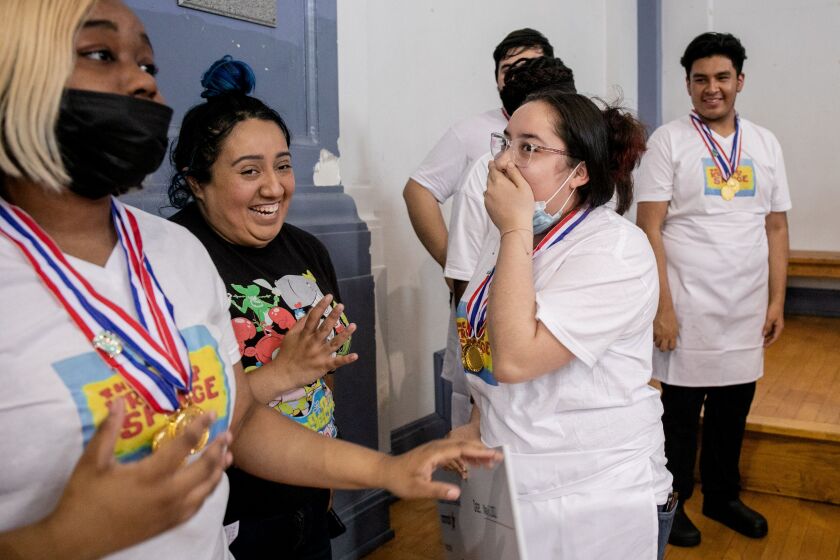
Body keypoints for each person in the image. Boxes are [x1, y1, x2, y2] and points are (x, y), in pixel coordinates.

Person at [0, 1, 501, 558]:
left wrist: (385, 468)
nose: (142, 84)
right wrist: (53, 540)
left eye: (148, 66)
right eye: (99, 53)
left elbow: (233, 417)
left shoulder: (176, 255)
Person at [448, 90, 675, 559]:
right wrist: (476, 418)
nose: (503, 162)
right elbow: (484, 334)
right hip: (515, 480)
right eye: (505, 142)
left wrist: (512, 230)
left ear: (580, 171)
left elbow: (515, 358)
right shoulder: (513, 233)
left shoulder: (616, 251)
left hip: (593, 495)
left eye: (528, 147)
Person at [167, 55, 351, 559]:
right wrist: (280, 373)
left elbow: (324, 367)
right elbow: (176, 418)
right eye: (250, 170)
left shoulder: (308, 250)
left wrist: (324, 460)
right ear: (197, 181)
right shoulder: (172, 259)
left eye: (283, 165)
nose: (274, 186)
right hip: (228, 516)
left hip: (307, 492)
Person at [636, 32, 790, 547]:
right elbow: (649, 227)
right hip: (685, 306)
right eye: (700, 78)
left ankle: (723, 497)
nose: (712, 88)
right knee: (679, 419)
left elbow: (776, 228)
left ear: (739, 81)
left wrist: (776, 300)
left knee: (732, 411)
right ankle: (675, 502)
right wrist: (662, 308)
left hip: (744, 308)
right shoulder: (669, 142)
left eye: (722, 77)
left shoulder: (765, 143)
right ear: (688, 84)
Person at [403, 28, 554, 428]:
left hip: (547, 296)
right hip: (482, 297)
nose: (520, 76)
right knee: (477, 413)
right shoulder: (471, 134)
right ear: (497, 79)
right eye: (510, 69)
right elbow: (418, 191)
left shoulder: (568, 136)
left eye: (531, 66)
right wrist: (455, 264)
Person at [446, 55, 576, 303]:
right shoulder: (486, 172)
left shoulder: (611, 243)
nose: (505, 161)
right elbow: (464, 277)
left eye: (530, 147)